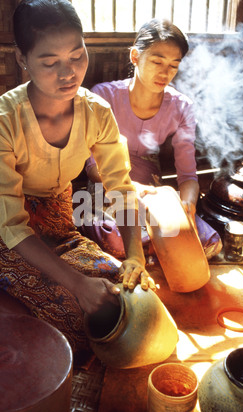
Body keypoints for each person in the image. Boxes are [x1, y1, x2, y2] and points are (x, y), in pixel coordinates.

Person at [0, 0, 154, 363]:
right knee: (73, 318)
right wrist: (76, 284)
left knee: (127, 300)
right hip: (5, 234)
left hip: (59, 222)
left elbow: (120, 187)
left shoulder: (96, 113)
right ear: (22, 58)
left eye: (77, 55)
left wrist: (135, 254)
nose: (68, 73)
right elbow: (11, 224)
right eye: (49, 62)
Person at [85, 19, 222, 260]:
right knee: (118, 242)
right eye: (157, 61)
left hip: (152, 193)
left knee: (210, 241)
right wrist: (133, 190)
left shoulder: (182, 107)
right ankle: (151, 252)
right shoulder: (103, 97)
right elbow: (93, 167)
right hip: (107, 190)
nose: (165, 73)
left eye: (173, 65)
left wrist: (187, 207)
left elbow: (188, 176)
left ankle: (152, 252)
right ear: (135, 56)